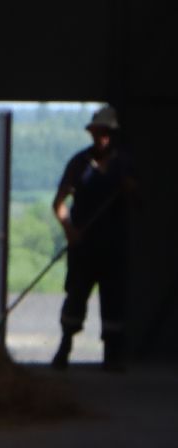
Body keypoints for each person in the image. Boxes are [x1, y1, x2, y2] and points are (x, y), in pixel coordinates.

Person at [51, 105, 135, 371]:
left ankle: (112, 355)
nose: (103, 138)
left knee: (114, 300)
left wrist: (130, 191)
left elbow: (140, 205)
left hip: (113, 247)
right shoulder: (79, 164)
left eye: (107, 133)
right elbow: (59, 203)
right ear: (92, 133)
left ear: (113, 135)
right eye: (99, 133)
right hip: (83, 246)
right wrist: (70, 230)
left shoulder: (124, 165)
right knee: (75, 296)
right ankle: (64, 347)